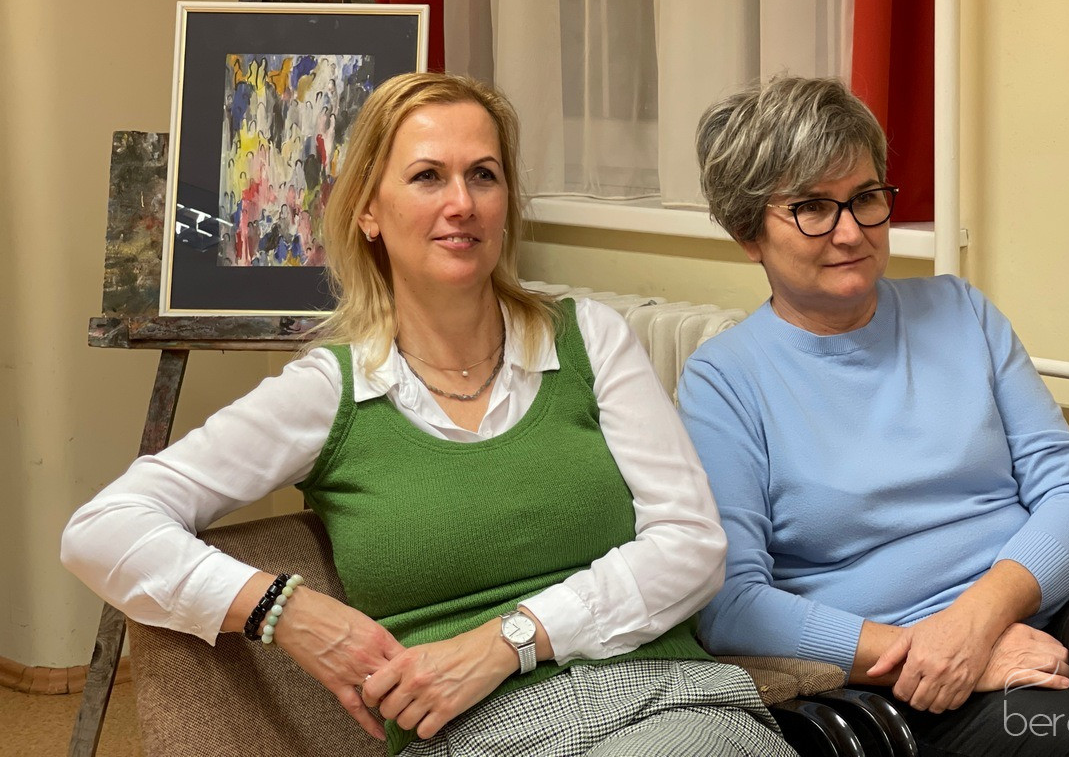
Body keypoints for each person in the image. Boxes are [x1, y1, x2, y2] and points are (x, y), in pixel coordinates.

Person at [63, 72, 797, 757]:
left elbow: (692, 545)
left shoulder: (592, 340)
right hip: (473, 739)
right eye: (427, 176)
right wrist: (282, 610)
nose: (462, 203)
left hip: (669, 705)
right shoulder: (329, 391)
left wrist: (510, 641)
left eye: (484, 174)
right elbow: (103, 529)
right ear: (369, 212)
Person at [678, 75, 1069, 757]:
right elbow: (731, 606)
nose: (850, 232)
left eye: (866, 198)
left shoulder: (961, 311)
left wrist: (976, 624)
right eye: (813, 207)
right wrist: (931, 652)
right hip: (905, 672)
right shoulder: (724, 381)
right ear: (748, 232)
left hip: (1039, 604)